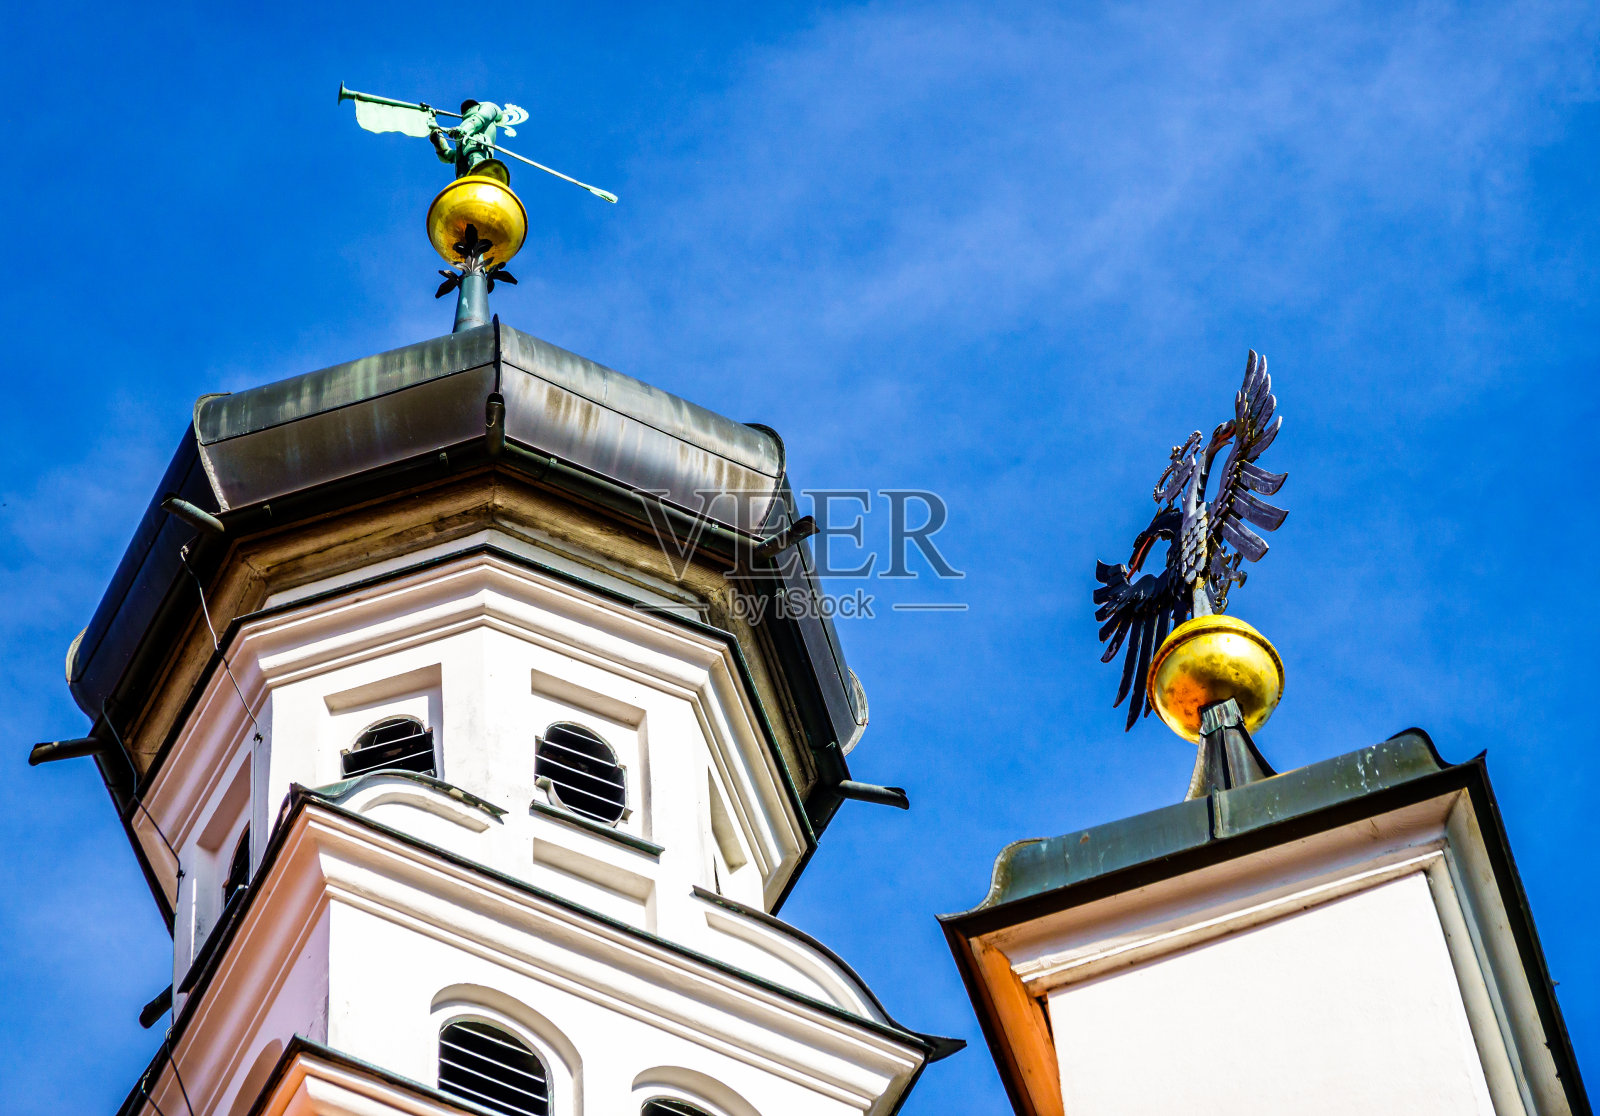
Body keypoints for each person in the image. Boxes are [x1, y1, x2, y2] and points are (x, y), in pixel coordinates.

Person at [430, 100, 506, 177]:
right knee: (462, 168)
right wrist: (435, 131)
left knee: (476, 162)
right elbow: (446, 155)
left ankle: (479, 173)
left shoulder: (487, 108)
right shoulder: (461, 134)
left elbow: (483, 116)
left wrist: (466, 128)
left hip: (478, 145)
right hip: (463, 177)